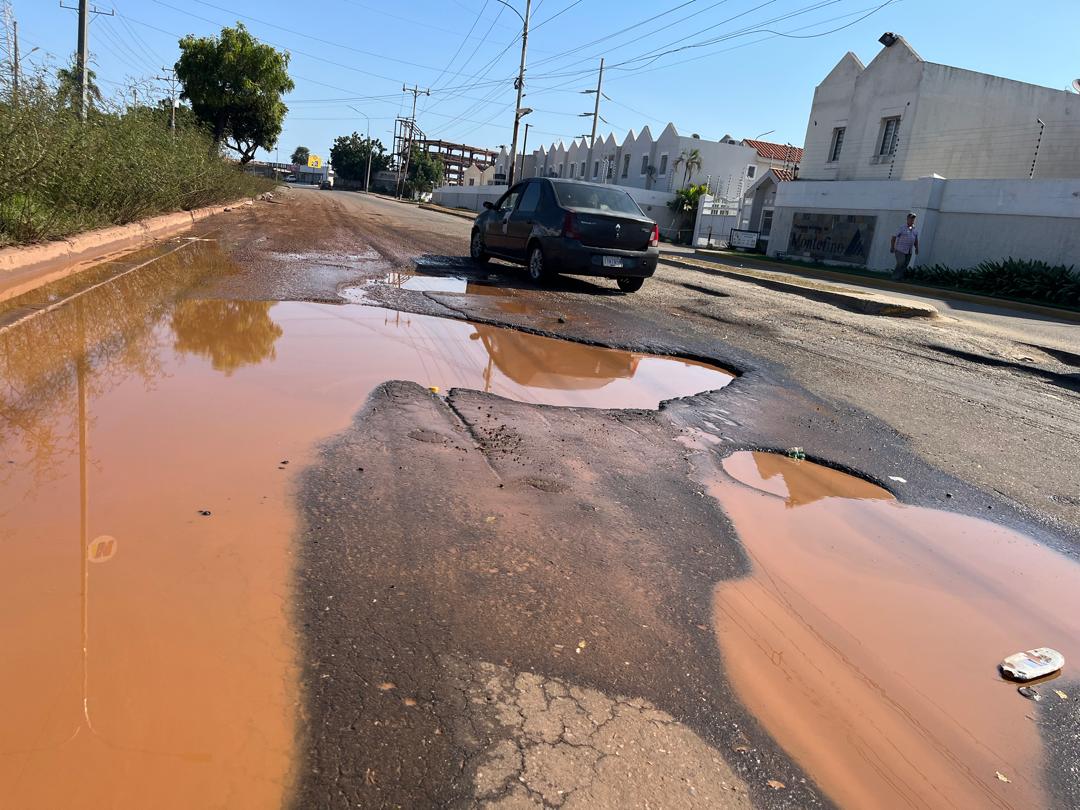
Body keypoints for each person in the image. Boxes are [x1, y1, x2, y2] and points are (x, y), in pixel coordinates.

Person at [890, 213, 919, 280]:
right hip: (900, 250)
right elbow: (894, 237)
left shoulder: (915, 229)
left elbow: (915, 240)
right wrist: (892, 247)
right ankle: (895, 276)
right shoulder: (902, 228)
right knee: (901, 262)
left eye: (913, 219)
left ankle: (899, 277)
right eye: (911, 218)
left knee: (905, 264)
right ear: (907, 219)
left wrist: (917, 248)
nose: (912, 220)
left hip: (909, 251)